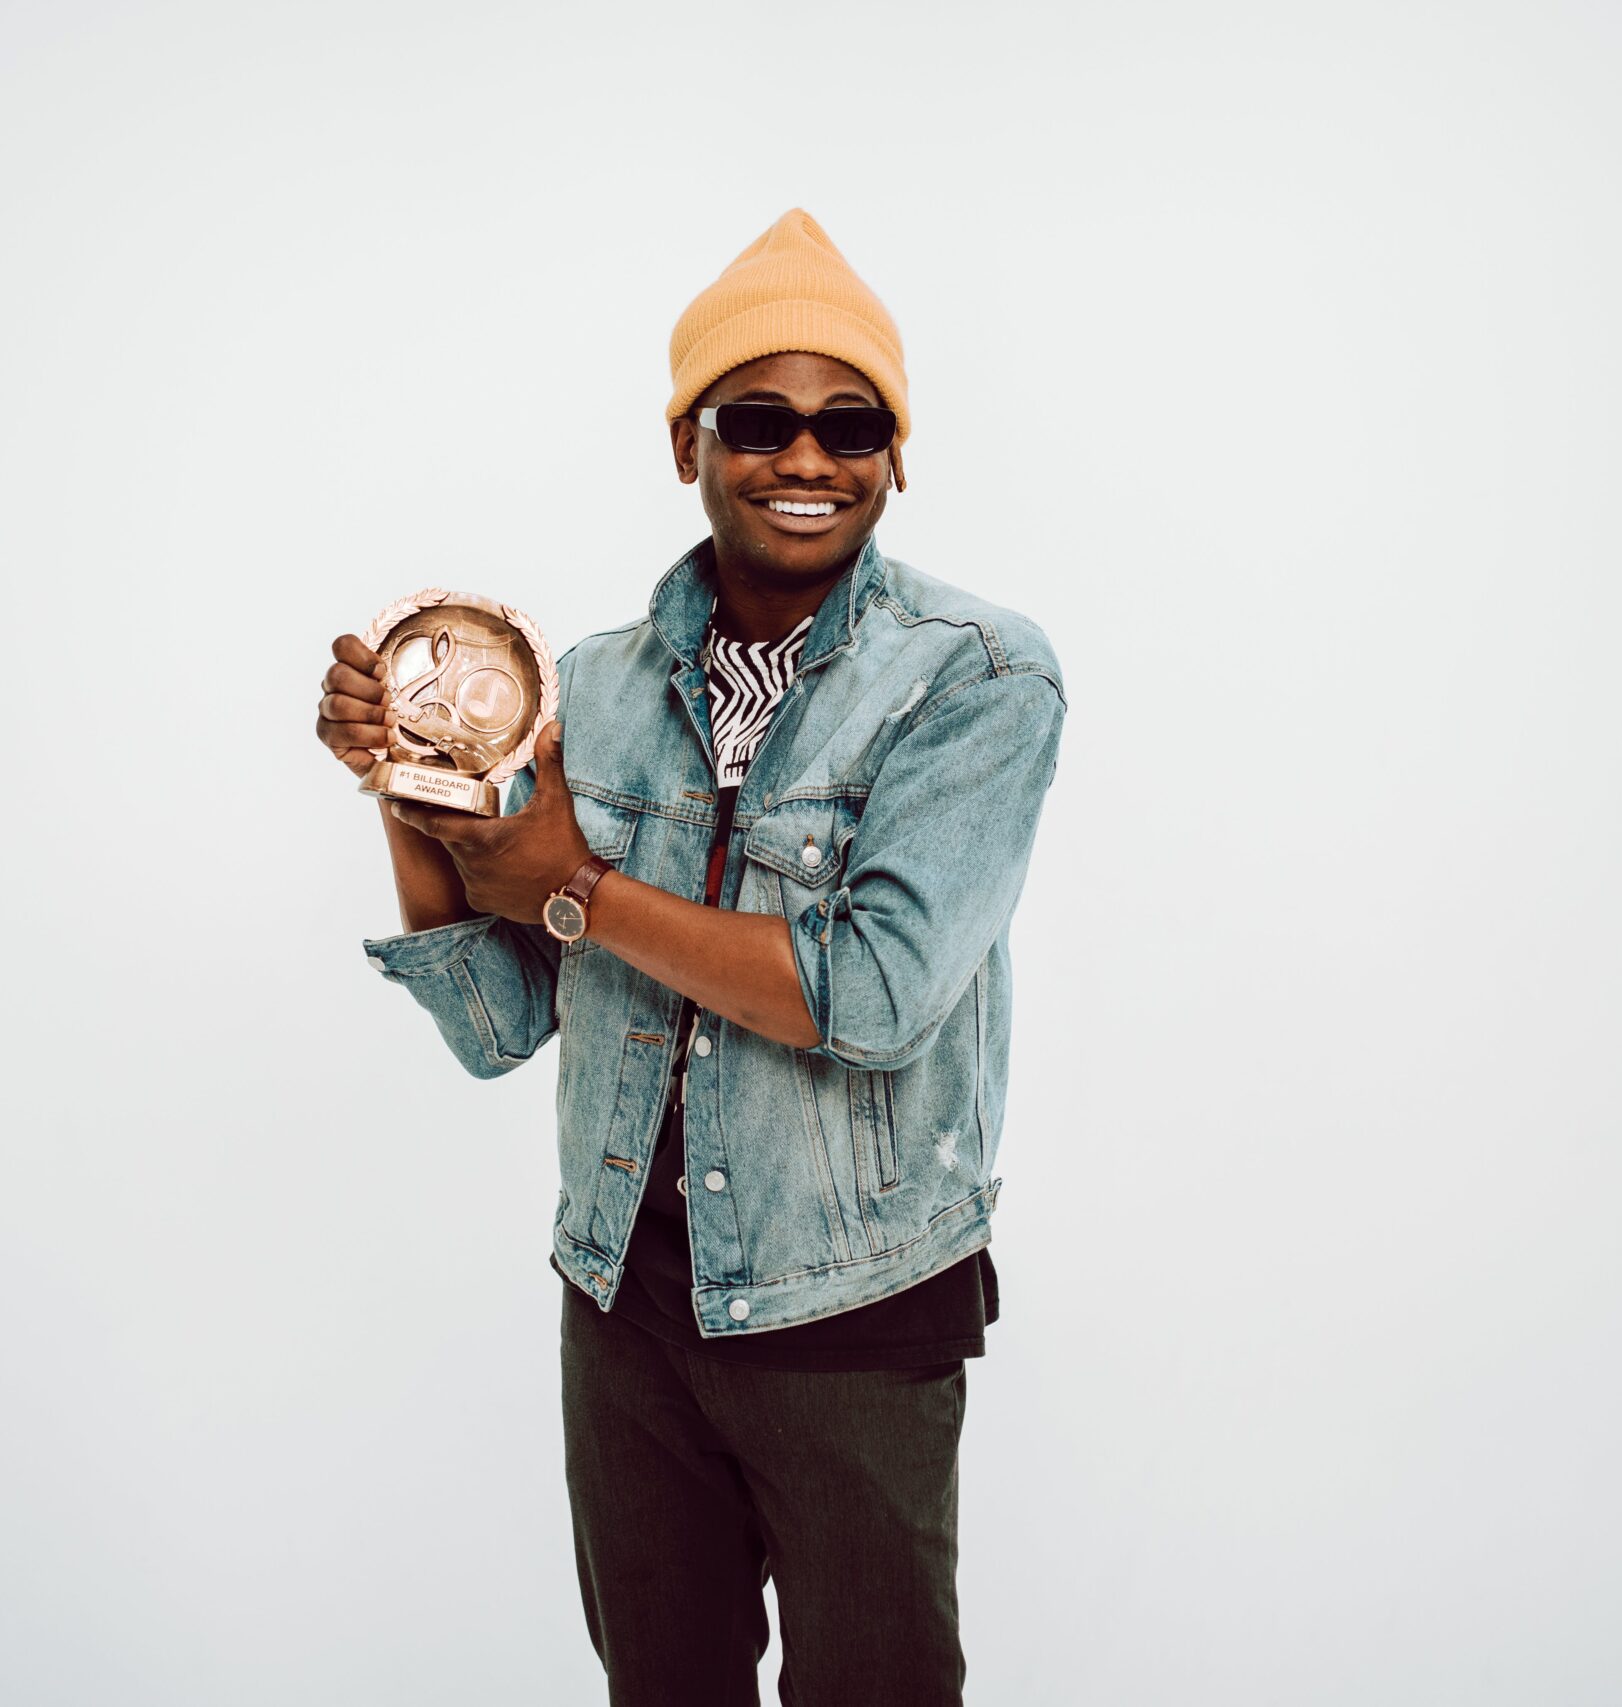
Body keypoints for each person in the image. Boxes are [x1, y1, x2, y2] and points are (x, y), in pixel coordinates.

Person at [312, 207, 1067, 1706]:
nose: (807, 457)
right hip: (626, 1312)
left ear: (897, 455)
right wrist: (419, 798)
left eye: (851, 423)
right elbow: (497, 1020)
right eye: (759, 419)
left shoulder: (981, 677)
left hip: (852, 1312)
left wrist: (577, 881)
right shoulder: (583, 685)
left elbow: (874, 994)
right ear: (688, 444)